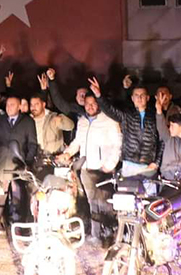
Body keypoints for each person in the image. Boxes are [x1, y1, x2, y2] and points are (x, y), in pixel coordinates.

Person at [58, 93, 122, 246]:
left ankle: (108, 235)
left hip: (104, 169)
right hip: (87, 168)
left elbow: (118, 143)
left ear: (98, 104)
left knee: (105, 204)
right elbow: (77, 142)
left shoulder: (109, 120)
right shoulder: (82, 121)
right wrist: (67, 153)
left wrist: (111, 163)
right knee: (92, 202)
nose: (90, 106)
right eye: (87, 103)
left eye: (93, 103)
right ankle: (95, 234)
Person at [88, 77, 160, 194]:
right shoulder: (127, 115)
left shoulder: (155, 116)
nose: (139, 98)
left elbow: (161, 141)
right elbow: (110, 110)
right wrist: (98, 95)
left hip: (148, 167)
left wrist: (156, 162)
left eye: (142, 95)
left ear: (147, 98)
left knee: (149, 200)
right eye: (136, 95)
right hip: (129, 166)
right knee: (128, 199)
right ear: (132, 98)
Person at [0, 94, 38, 226]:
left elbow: (32, 144)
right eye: (7, 105)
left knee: (18, 198)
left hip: (19, 165)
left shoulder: (28, 121)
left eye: (12, 105)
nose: (9, 107)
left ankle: (18, 227)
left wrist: (28, 162)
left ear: (19, 107)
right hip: (1, 163)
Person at [154, 89, 181, 194]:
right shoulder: (168, 138)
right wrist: (159, 110)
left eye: (173, 126)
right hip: (168, 177)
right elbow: (161, 127)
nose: (170, 128)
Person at [29, 90, 74, 155]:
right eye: (31, 105)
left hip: (54, 157)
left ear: (43, 105)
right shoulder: (27, 121)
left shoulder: (53, 117)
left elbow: (71, 126)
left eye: (36, 104)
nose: (33, 107)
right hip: (35, 157)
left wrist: (61, 120)